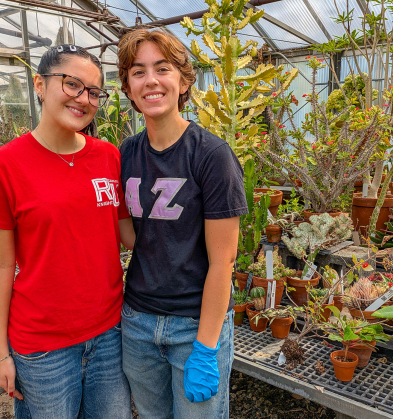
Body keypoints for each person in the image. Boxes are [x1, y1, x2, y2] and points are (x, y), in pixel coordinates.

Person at [117, 29, 248, 419]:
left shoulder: (211, 156)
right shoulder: (126, 153)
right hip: (138, 322)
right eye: (138, 72)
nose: (151, 80)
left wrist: (207, 349)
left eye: (162, 68)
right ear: (127, 86)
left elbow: (223, 263)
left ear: (184, 79)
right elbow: (132, 240)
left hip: (194, 326)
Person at [0, 45, 134, 418]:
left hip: (109, 333)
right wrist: (0, 353)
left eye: (94, 92)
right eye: (72, 85)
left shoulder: (108, 156)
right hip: (43, 347)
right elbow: (1, 267)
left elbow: (130, 235)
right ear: (40, 84)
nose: (84, 100)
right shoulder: (7, 165)